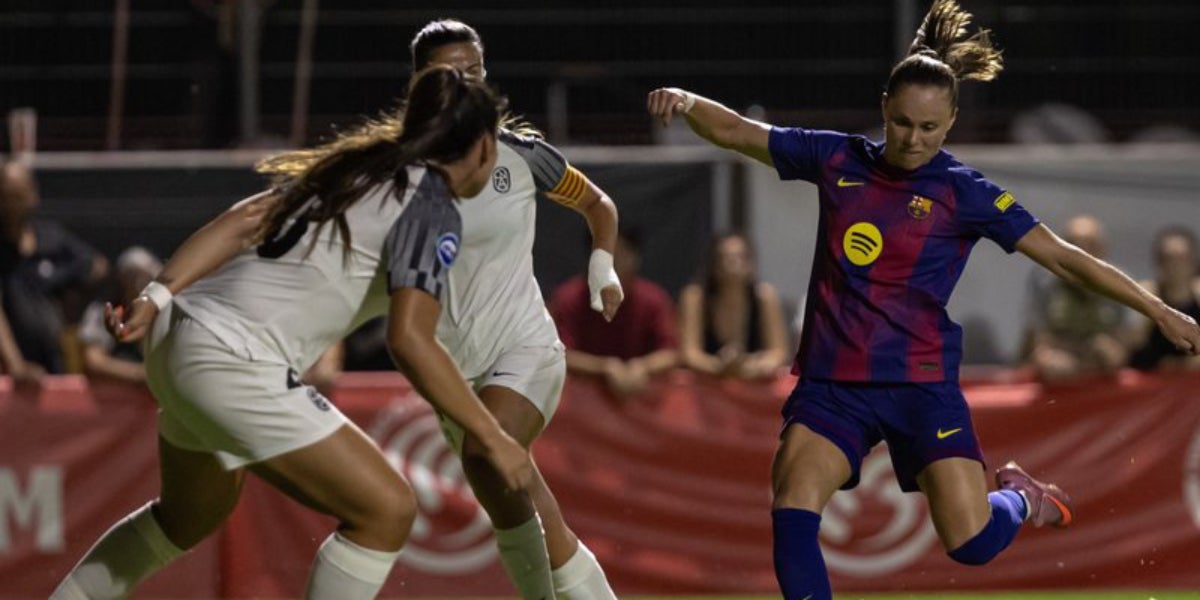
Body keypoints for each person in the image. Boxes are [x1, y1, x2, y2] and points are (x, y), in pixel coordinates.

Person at [646, 1, 1200, 598]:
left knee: (971, 544)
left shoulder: (965, 192)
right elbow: (738, 131)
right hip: (834, 385)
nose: (913, 139)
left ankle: (1017, 497)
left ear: (952, 122)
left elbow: (1064, 256)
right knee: (792, 506)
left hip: (920, 383)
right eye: (903, 122)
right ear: (885, 107)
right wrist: (685, 99)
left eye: (929, 128)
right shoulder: (836, 159)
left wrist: (1159, 310)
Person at [49, 65, 534, 600]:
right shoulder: (432, 203)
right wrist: (493, 438)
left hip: (178, 335)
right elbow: (411, 340)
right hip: (230, 357)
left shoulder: (357, 169)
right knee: (387, 509)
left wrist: (157, 294)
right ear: (486, 147)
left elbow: (242, 219)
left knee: (185, 518)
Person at [411, 19, 622, 600]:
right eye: (447, 74)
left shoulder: (522, 156)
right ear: (419, 85)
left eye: (474, 71)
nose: (464, 83)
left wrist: (601, 264)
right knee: (530, 505)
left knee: (490, 454)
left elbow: (597, 204)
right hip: (451, 374)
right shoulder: (399, 174)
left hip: (523, 349)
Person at [0, 158, 108, 376]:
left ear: (33, 194)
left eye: (18, 196)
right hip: (12, 376)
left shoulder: (52, 239)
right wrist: (16, 365)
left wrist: (57, 284)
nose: (13, 205)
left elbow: (98, 267)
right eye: (6, 197)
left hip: (55, 364)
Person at [551, 228, 679, 397]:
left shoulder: (654, 299)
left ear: (636, 258)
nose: (613, 262)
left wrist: (642, 367)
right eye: (604, 254)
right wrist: (605, 368)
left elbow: (670, 352)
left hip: (641, 406)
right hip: (579, 408)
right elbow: (558, 354)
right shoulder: (568, 298)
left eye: (621, 253)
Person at [1023, 214, 1134, 380]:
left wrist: (1108, 352)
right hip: (1057, 378)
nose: (1081, 253)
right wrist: (1049, 357)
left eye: (1090, 246)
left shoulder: (1121, 284)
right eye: (1074, 245)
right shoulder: (1045, 283)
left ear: (1103, 249)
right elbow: (1038, 343)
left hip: (1106, 381)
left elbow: (1125, 347)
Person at [678, 232, 789, 380]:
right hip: (707, 386)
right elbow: (689, 353)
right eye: (725, 258)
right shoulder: (695, 297)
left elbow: (778, 352)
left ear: (752, 264)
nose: (733, 264)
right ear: (714, 265)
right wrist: (720, 367)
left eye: (741, 258)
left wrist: (753, 366)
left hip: (753, 385)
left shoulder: (765, 297)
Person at [76, 246, 163, 384]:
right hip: (115, 397)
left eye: (146, 277)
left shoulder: (165, 308)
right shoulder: (104, 310)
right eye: (133, 277)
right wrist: (139, 374)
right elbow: (93, 361)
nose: (139, 284)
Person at [1129, 226, 1200, 371]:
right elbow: (1132, 346)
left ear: (1193, 262)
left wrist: (1183, 365)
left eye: (1181, 259)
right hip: (1154, 378)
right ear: (1158, 263)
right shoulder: (1146, 295)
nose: (1175, 266)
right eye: (1168, 259)